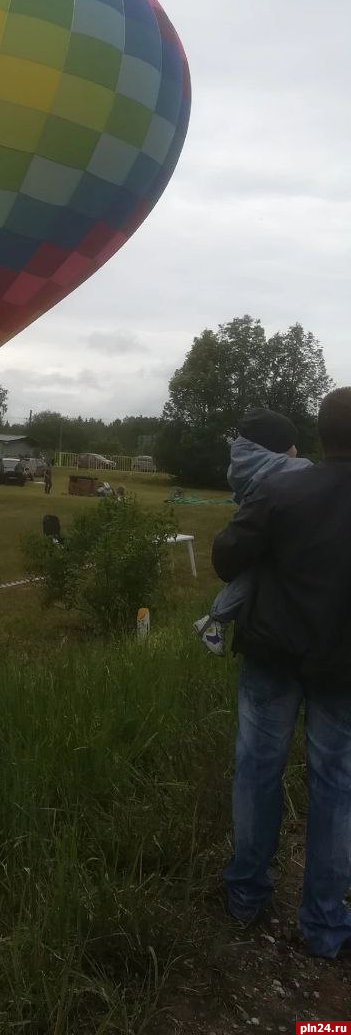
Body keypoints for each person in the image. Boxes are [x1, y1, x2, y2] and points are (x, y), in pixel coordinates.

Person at [211, 387, 351, 958]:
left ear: (318, 435)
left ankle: (246, 895)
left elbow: (226, 556)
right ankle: (323, 925)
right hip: (344, 666)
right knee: (337, 789)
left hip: (272, 654)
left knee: (257, 770)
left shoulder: (280, 487)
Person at [194, 409, 312, 655]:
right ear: (276, 446)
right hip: (285, 619)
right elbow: (309, 473)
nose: (296, 449)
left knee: (253, 572)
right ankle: (215, 618)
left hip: (253, 539)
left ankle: (215, 619)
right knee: (256, 572)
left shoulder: (247, 464)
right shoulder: (289, 470)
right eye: (290, 444)